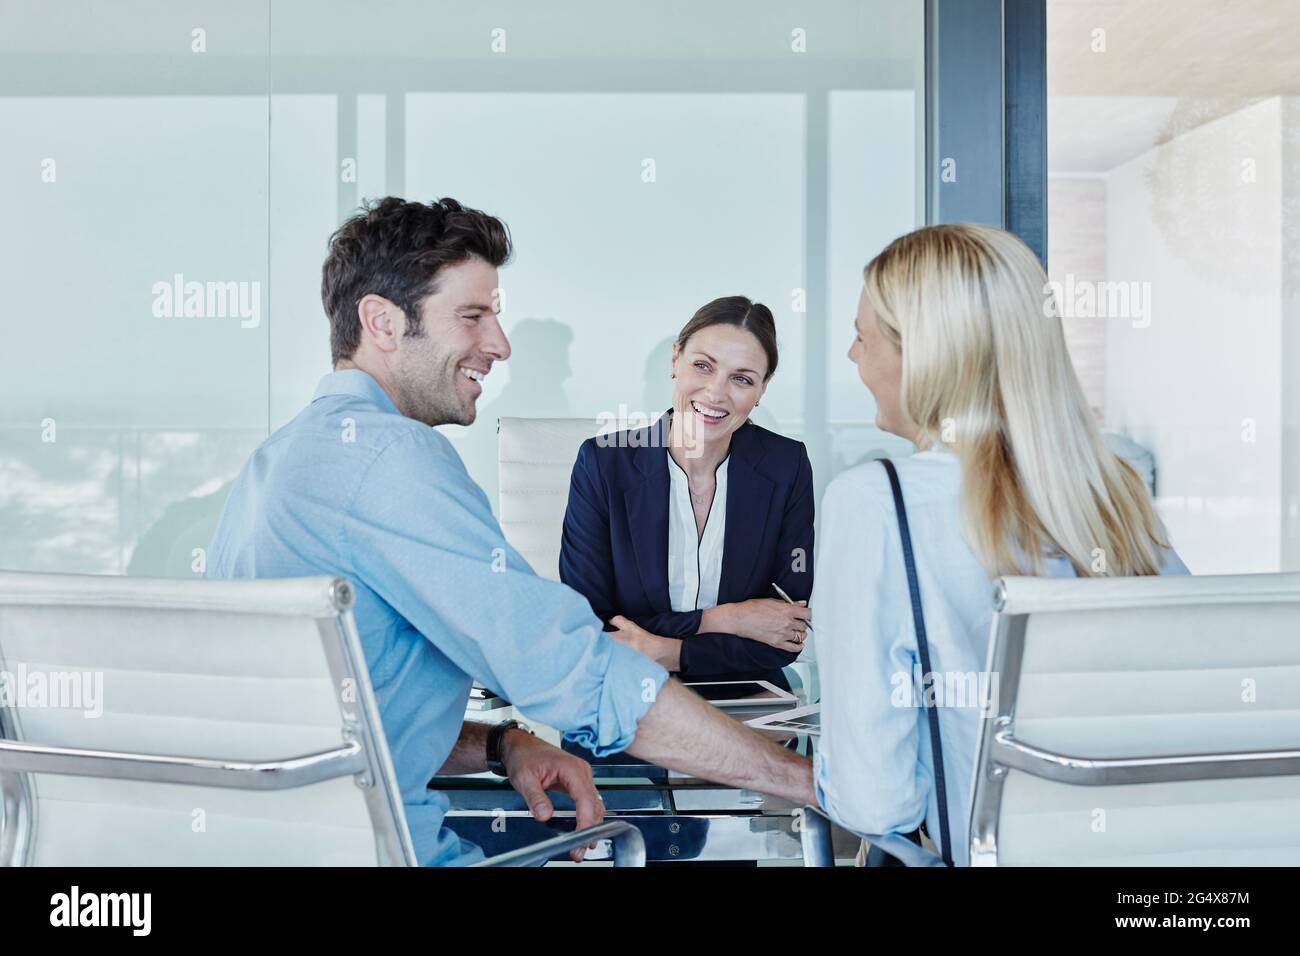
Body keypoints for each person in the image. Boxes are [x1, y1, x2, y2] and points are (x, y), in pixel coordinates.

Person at [205, 197, 814, 866]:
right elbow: (574, 666)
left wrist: (502, 745)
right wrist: (806, 782)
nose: (500, 344)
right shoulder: (393, 460)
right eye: (473, 316)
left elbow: (342, 723)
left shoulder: (279, 459)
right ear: (381, 321)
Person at [812, 223, 1188, 866]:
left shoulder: (877, 500)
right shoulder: (1114, 490)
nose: (854, 357)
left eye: (862, 336)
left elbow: (877, 802)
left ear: (923, 356)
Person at [560, 296, 814, 683]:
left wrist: (669, 652)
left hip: (747, 696)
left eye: (742, 378)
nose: (716, 393)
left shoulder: (787, 467)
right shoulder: (603, 465)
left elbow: (786, 631)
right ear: (675, 360)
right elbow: (588, 630)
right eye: (703, 366)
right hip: (622, 694)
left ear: (763, 389)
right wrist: (726, 619)